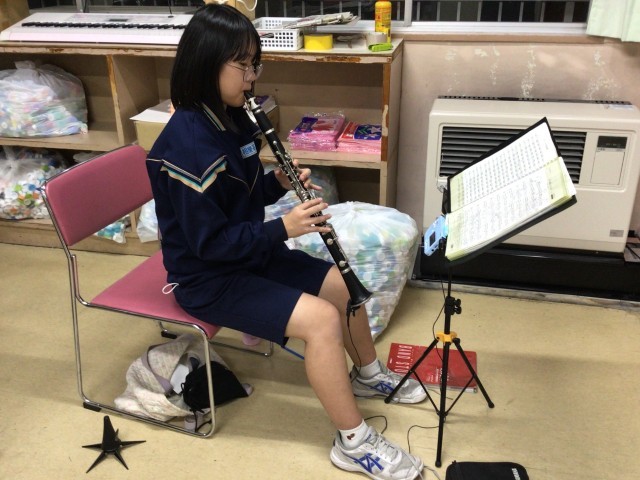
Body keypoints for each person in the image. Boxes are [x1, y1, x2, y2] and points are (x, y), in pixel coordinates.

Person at [146, 4, 426, 479]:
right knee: (321, 320)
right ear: (207, 63)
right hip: (208, 277)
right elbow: (209, 244)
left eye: (255, 64)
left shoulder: (229, 117)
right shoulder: (188, 147)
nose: (252, 77)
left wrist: (275, 184)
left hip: (248, 255)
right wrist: (285, 227)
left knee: (341, 286)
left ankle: (368, 373)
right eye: (243, 66)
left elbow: (239, 195)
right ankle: (354, 443)